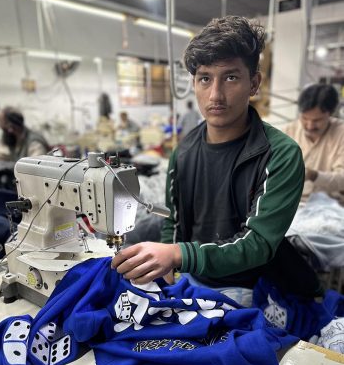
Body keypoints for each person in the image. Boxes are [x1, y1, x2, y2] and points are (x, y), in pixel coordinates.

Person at [112, 16, 321, 298]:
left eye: (231, 77)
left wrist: (178, 254)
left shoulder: (280, 154)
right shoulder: (183, 151)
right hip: (193, 278)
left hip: (257, 286)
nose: (215, 95)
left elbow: (257, 244)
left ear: (254, 83)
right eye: (205, 79)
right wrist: (169, 269)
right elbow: (174, 223)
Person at [284, 84, 344, 204]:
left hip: (331, 206)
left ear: (331, 113)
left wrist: (313, 175)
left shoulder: (341, 133)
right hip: (292, 203)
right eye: (305, 118)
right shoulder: (289, 131)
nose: (310, 126)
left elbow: (342, 180)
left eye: (317, 120)